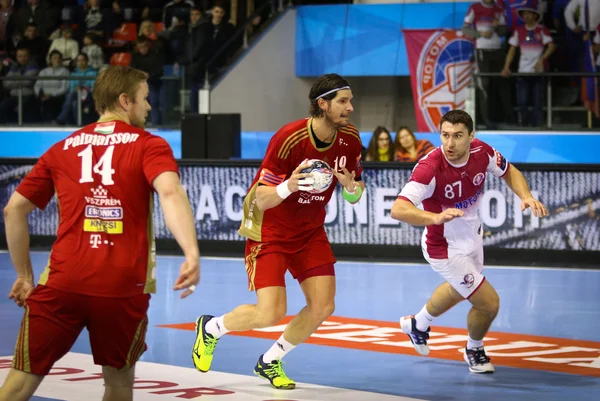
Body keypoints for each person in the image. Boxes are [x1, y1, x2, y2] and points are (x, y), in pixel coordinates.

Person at [0, 66, 200, 401]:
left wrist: (23, 274)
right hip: (121, 289)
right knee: (119, 385)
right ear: (125, 101)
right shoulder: (149, 145)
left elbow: (13, 210)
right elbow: (170, 192)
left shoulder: (62, 148)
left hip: (62, 284)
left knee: (20, 382)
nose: (149, 107)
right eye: (145, 99)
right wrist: (191, 253)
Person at [191, 73, 364, 389]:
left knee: (324, 305)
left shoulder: (350, 138)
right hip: (270, 229)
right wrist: (290, 185)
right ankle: (211, 328)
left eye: (350, 101)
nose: (350, 108)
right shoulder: (289, 138)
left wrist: (350, 188)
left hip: (310, 231)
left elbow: (356, 193)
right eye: (343, 101)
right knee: (270, 313)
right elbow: (262, 197)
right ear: (321, 104)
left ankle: (270, 362)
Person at [391, 110, 548, 374]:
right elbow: (398, 209)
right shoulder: (430, 167)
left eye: (457, 136)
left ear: (471, 136)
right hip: (443, 247)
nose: (449, 144)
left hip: (472, 236)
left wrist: (526, 195)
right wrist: (435, 216)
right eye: (445, 135)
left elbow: (509, 171)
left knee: (459, 289)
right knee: (488, 303)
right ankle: (473, 349)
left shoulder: (481, 152)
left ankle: (417, 323)